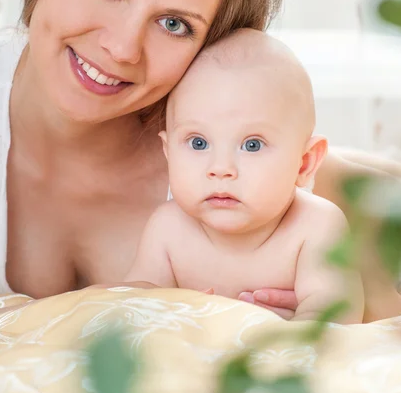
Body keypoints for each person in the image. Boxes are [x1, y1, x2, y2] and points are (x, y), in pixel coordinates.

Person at [0, 0, 401, 324]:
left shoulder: (266, 181)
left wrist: (309, 326)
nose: (123, 47)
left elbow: (380, 351)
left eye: (175, 24)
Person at [125, 29, 364, 323]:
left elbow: (333, 319)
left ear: (304, 164)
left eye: (252, 145)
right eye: (198, 143)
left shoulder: (314, 226)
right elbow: (132, 310)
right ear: (168, 151)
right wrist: (177, 321)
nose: (221, 168)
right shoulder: (167, 229)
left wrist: (291, 337)